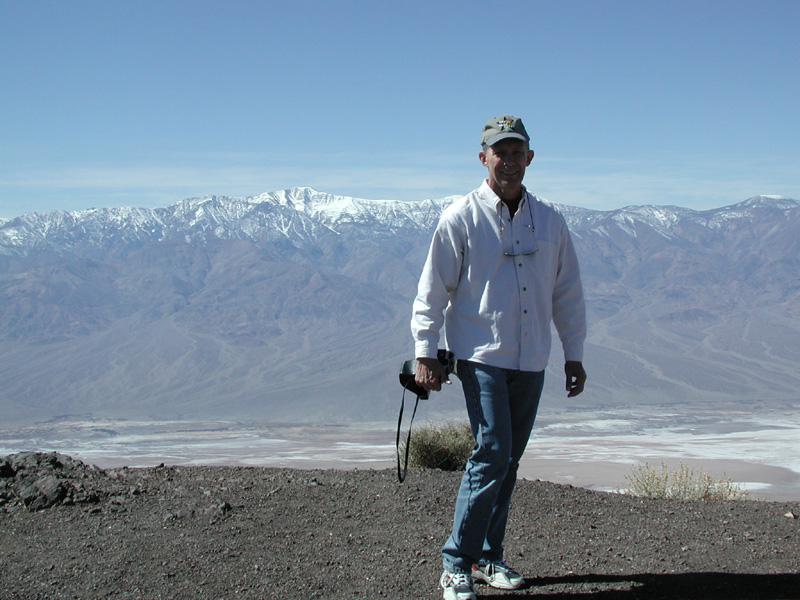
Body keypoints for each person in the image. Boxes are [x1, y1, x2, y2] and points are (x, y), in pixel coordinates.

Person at [410, 114, 587, 600]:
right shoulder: (461, 218)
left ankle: (489, 557)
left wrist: (574, 354)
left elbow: (567, 290)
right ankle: (455, 563)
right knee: (492, 452)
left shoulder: (550, 221)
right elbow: (432, 290)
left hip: (532, 357)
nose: (508, 161)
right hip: (480, 354)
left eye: (517, 152)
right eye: (499, 152)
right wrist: (425, 350)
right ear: (482, 157)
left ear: (530, 158)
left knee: (509, 460)